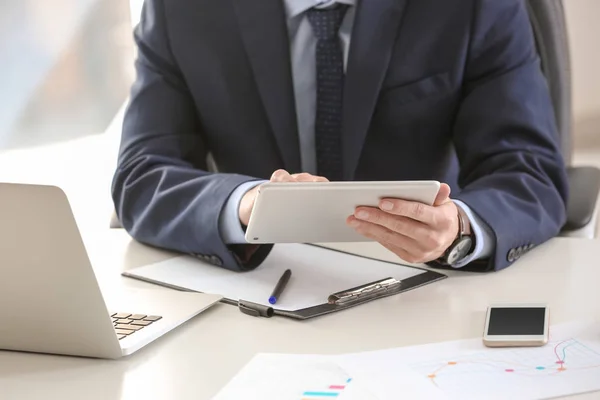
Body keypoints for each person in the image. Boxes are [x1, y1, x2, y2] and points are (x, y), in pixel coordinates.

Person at [111, 0, 568, 273]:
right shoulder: (181, 10)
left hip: (421, 291)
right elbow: (143, 174)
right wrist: (244, 204)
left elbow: (528, 172)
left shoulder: (473, 6)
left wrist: (459, 229)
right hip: (257, 291)